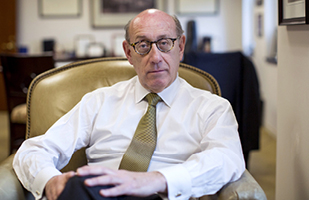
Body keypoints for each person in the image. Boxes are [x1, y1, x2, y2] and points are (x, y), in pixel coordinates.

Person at [13, 9, 245, 200]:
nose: (155, 57)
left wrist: (152, 180)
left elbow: (226, 159)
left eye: (164, 43)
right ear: (128, 52)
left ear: (181, 47)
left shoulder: (212, 107)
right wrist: (51, 182)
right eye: (143, 45)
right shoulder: (99, 101)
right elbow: (34, 150)